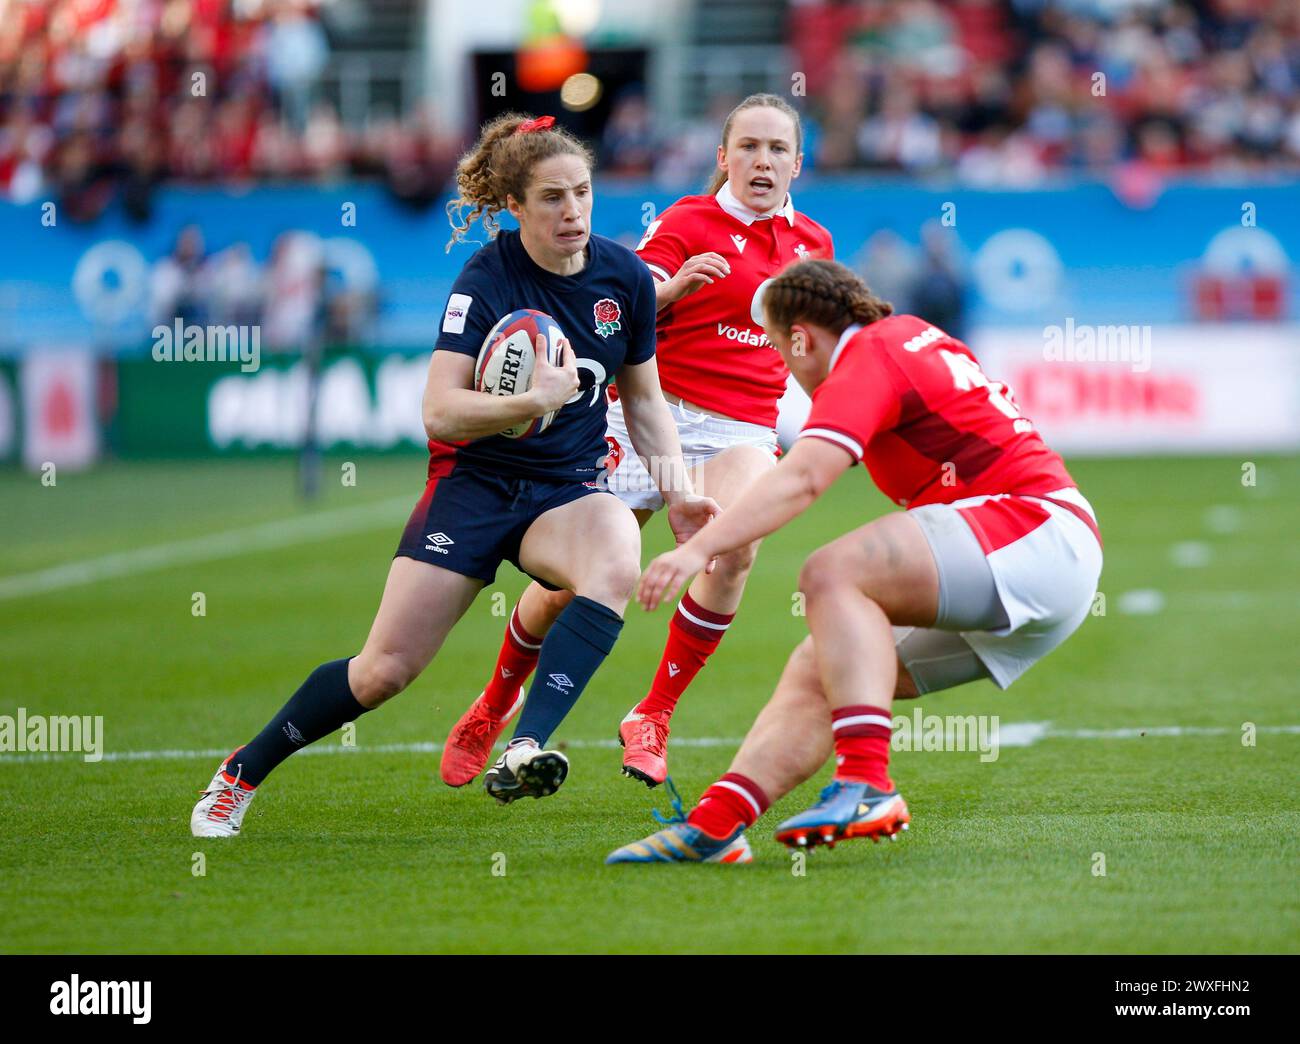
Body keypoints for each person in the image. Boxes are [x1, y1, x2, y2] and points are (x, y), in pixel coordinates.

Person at [190, 112, 718, 836]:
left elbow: (647, 400)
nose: (573, 212)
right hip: (473, 488)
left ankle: (526, 746)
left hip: (564, 490)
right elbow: (439, 411)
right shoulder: (488, 277)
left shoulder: (623, 276)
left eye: (583, 193)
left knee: (616, 556)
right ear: (515, 208)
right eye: (553, 199)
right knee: (383, 673)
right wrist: (531, 401)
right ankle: (240, 772)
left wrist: (681, 491)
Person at [607, 259, 1103, 864]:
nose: (788, 373)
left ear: (803, 336)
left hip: (1030, 531)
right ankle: (715, 827)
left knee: (832, 572)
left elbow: (804, 478)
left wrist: (697, 548)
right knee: (823, 668)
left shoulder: (871, 352)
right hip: (1040, 562)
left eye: (782, 352)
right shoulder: (904, 338)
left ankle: (867, 783)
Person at [438, 94, 834, 790]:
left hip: (741, 425)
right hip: (645, 413)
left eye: (777, 149)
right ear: (723, 158)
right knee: (571, 584)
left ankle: (653, 714)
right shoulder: (689, 220)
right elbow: (623, 302)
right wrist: (676, 288)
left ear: (798, 163)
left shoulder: (815, 246)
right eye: (748, 147)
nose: (762, 161)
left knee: (734, 549)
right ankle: (497, 703)